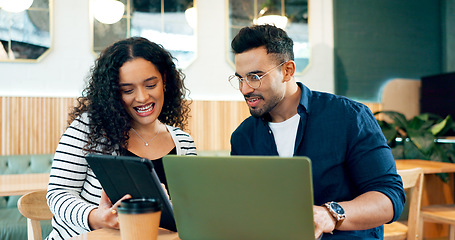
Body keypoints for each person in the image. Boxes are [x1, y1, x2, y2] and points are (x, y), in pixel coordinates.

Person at [228, 24, 405, 239]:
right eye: (240, 78)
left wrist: (331, 214)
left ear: (287, 71)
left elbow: (390, 197)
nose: (245, 89)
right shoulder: (243, 137)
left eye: (255, 77)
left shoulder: (349, 116)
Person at [46, 37, 197, 240]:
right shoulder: (89, 129)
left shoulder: (183, 142)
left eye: (151, 85)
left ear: (164, 80)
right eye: (127, 90)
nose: (142, 98)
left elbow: (188, 211)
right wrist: (96, 217)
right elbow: (58, 194)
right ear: (113, 94)